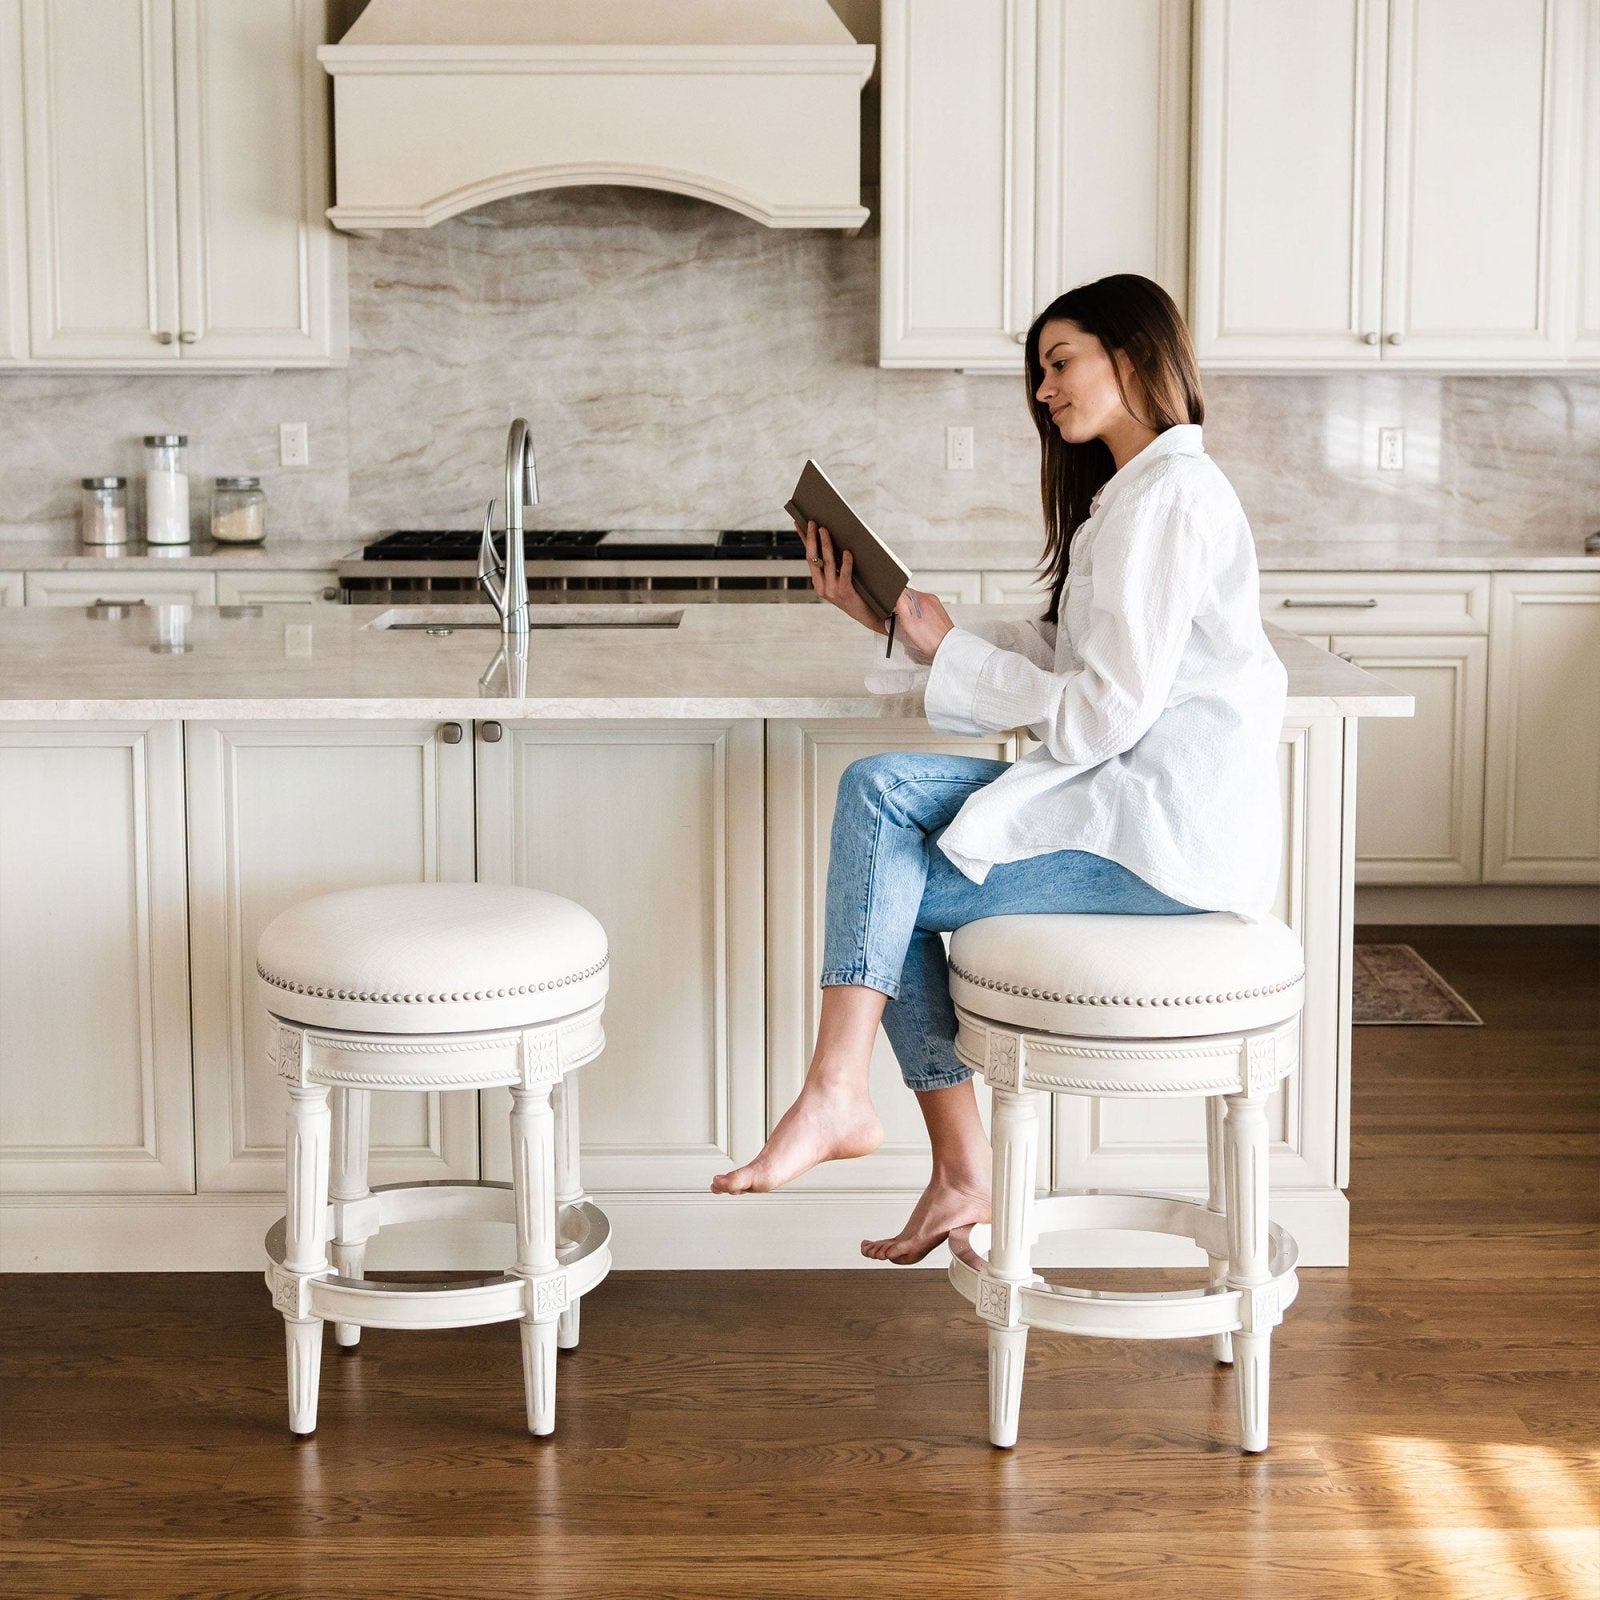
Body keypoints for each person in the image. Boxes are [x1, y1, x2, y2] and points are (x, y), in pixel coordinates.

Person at [711, 273, 1288, 1265]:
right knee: (878, 801)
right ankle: (922, 1146)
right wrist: (914, 626)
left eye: (1060, 363)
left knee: (883, 862)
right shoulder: (1134, 495)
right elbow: (1074, 655)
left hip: (1160, 842)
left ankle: (862, 1109)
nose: (1043, 389)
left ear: (1135, 356)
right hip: (1119, 806)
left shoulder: (1172, 498)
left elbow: (1102, 713)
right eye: (1040, 371)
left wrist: (947, 653)